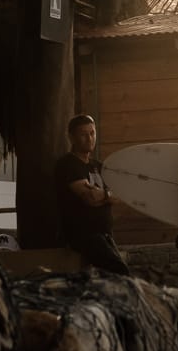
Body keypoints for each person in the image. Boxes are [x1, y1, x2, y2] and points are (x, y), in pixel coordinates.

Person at [53, 114, 129, 273]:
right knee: (120, 272)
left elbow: (120, 195)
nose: (89, 138)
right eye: (83, 134)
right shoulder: (67, 164)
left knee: (115, 275)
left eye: (92, 133)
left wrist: (103, 195)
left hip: (105, 234)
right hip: (83, 236)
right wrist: (107, 196)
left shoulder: (99, 166)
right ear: (72, 137)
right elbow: (90, 198)